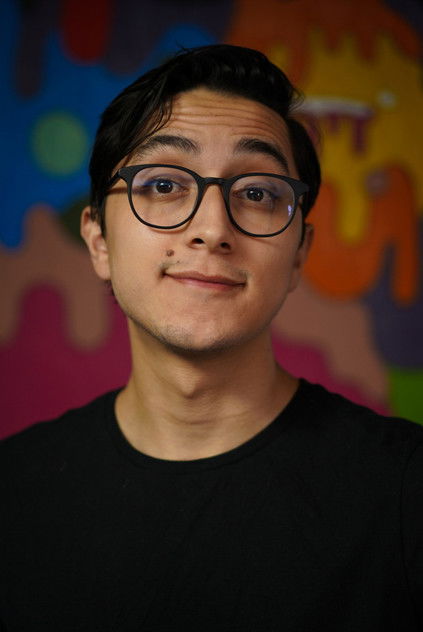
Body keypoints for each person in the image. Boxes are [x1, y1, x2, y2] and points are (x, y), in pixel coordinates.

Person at [1, 44, 422, 631]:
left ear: (299, 254)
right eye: (163, 184)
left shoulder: (404, 490)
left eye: (257, 193)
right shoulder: (14, 490)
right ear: (98, 241)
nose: (211, 229)